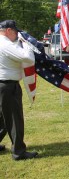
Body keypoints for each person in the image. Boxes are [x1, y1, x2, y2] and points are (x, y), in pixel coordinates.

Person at [0, 20, 38, 160]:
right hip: (7, 85)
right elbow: (27, 58)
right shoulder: (5, 43)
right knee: (15, 119)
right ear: (8, 30)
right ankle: (19, 152)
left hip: (3, 84)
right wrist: (26, 44)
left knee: (3, 118)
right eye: (16, 32)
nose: (17, 35)